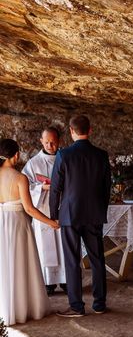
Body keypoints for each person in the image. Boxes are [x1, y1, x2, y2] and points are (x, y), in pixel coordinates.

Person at [50, 115, 111, 317]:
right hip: (94, 214)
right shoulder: (101, 155)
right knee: (97, 259)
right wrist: (101, 209)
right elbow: (106, 187)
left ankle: (76, 306)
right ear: (90, 130)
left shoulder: (64, 155)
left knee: (72, 260)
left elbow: (55, 189)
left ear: (71, 131)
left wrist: (53, 215)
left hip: (69, 214)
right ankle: (100, 304)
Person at [0, 139, 58, 325]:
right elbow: (30, 209)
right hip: (17, 225)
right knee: (19, 263)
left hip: (1, 223)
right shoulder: (19, 178)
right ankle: (23, 307)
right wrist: (51, 222)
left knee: (4, 264)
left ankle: (5, 308)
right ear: (16, 155)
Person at [22, 127, 67, 295]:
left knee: (64, 245)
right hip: (43, 210)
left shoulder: (66, 159)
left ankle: (66, 280)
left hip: (63, 208)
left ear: (59, 141)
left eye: (53, 142)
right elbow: (26, 186)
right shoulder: (33, 163)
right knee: (44, 246)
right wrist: (42, 187)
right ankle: (47, 282)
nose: (50, 145)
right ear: (41, 141)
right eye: (46, 142)